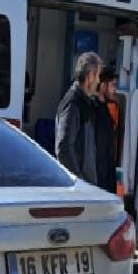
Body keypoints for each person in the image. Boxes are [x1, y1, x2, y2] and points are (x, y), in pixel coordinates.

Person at [55, 52, 101, 184]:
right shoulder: (73, 103)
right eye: (97, 76)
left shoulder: (84, 103)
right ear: (90, 76)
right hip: (79, 191)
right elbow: (64, 149)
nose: (98, 81)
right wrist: (79, 182)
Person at [92, 64, 121, 193]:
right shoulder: (94, 110)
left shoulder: (104, 108)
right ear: (103, 86)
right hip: (99, 180)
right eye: (113, 85)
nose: (115, 90)